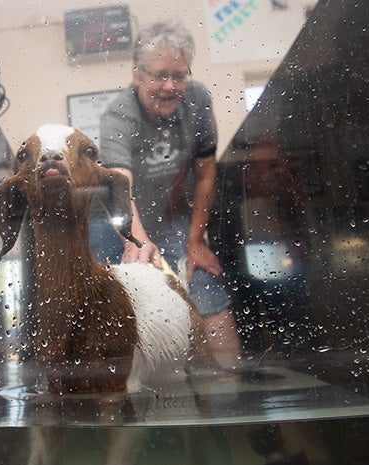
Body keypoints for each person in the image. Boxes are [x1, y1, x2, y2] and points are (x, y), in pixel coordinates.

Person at [91, 20, 242, 370]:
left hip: (168, 217)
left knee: (203, 281)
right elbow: (119, 186)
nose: (170, 86)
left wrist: (195, 241)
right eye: (159, 75)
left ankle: (229, 388)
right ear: (138, 75)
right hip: (115, 220)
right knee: (106, 295)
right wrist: (137, 241)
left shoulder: (199, 99)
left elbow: (206, 174)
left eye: (179, 75)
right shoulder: (118, 114)